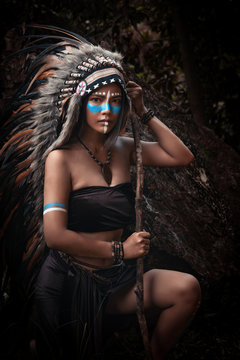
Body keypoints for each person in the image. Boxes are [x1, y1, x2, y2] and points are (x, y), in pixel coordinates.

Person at [0, 26, 201, 360]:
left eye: (115, 100)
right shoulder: (59, 159)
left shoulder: (122, 148)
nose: (106, 109)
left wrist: (143, 111)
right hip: (70, 283)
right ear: (81, 102)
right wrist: (121, 249)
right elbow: (54, 236)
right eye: (96, 99)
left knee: (186, 289)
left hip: (116, 281)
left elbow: (182, 157)